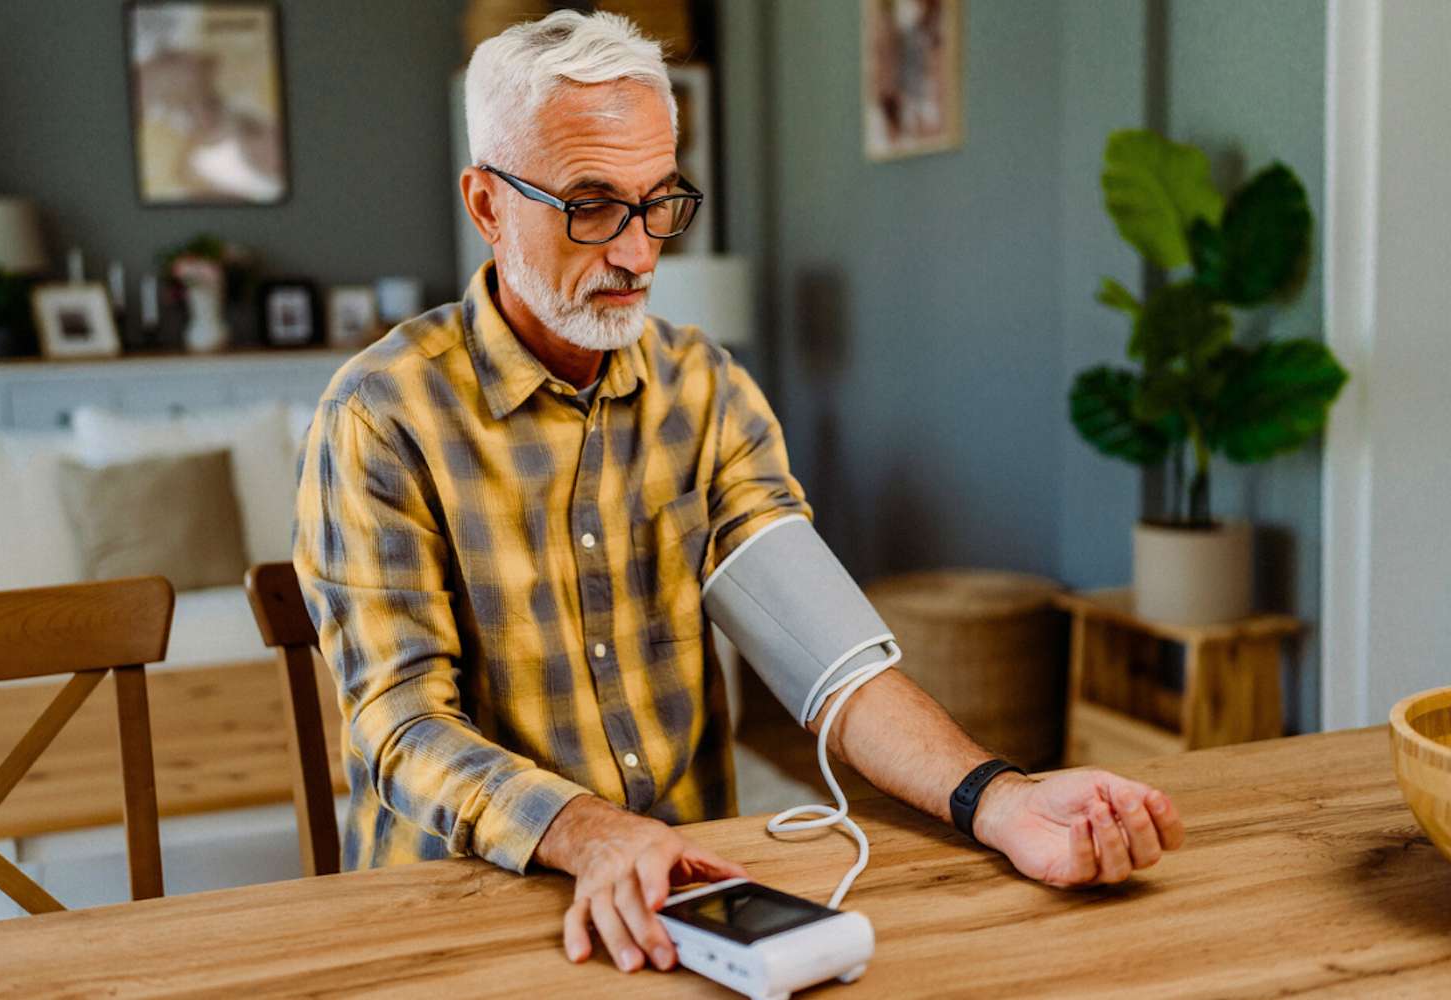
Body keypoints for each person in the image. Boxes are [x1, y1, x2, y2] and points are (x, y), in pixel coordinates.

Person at [293, 9, 1185, 977]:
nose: (638, 254)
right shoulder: (381, 414)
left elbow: (828, 657)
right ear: (486, 204)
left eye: (659, 202)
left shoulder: (705, 389)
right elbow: (401, 725)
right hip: (461, 913)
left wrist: (1000, 799)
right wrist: (591, 832)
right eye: (591, 206)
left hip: (691, 898)